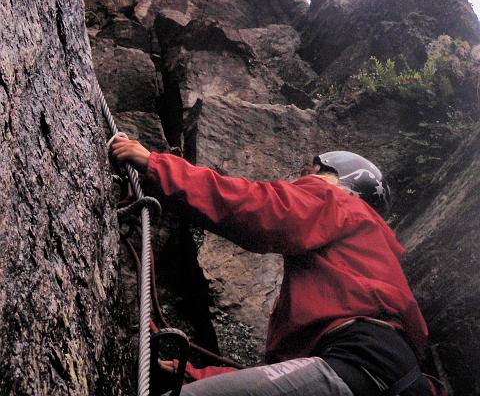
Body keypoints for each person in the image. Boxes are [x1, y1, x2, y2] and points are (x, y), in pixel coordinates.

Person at [110, 136, 446, 396]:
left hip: (361, 366)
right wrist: (190, 375)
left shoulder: (339, 201)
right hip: (383, 377)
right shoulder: (359, 265)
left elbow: (261, 210)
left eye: (311, 173)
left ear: (337, 177)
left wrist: (155, 165)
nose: (303, 181)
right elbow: (287, 374)